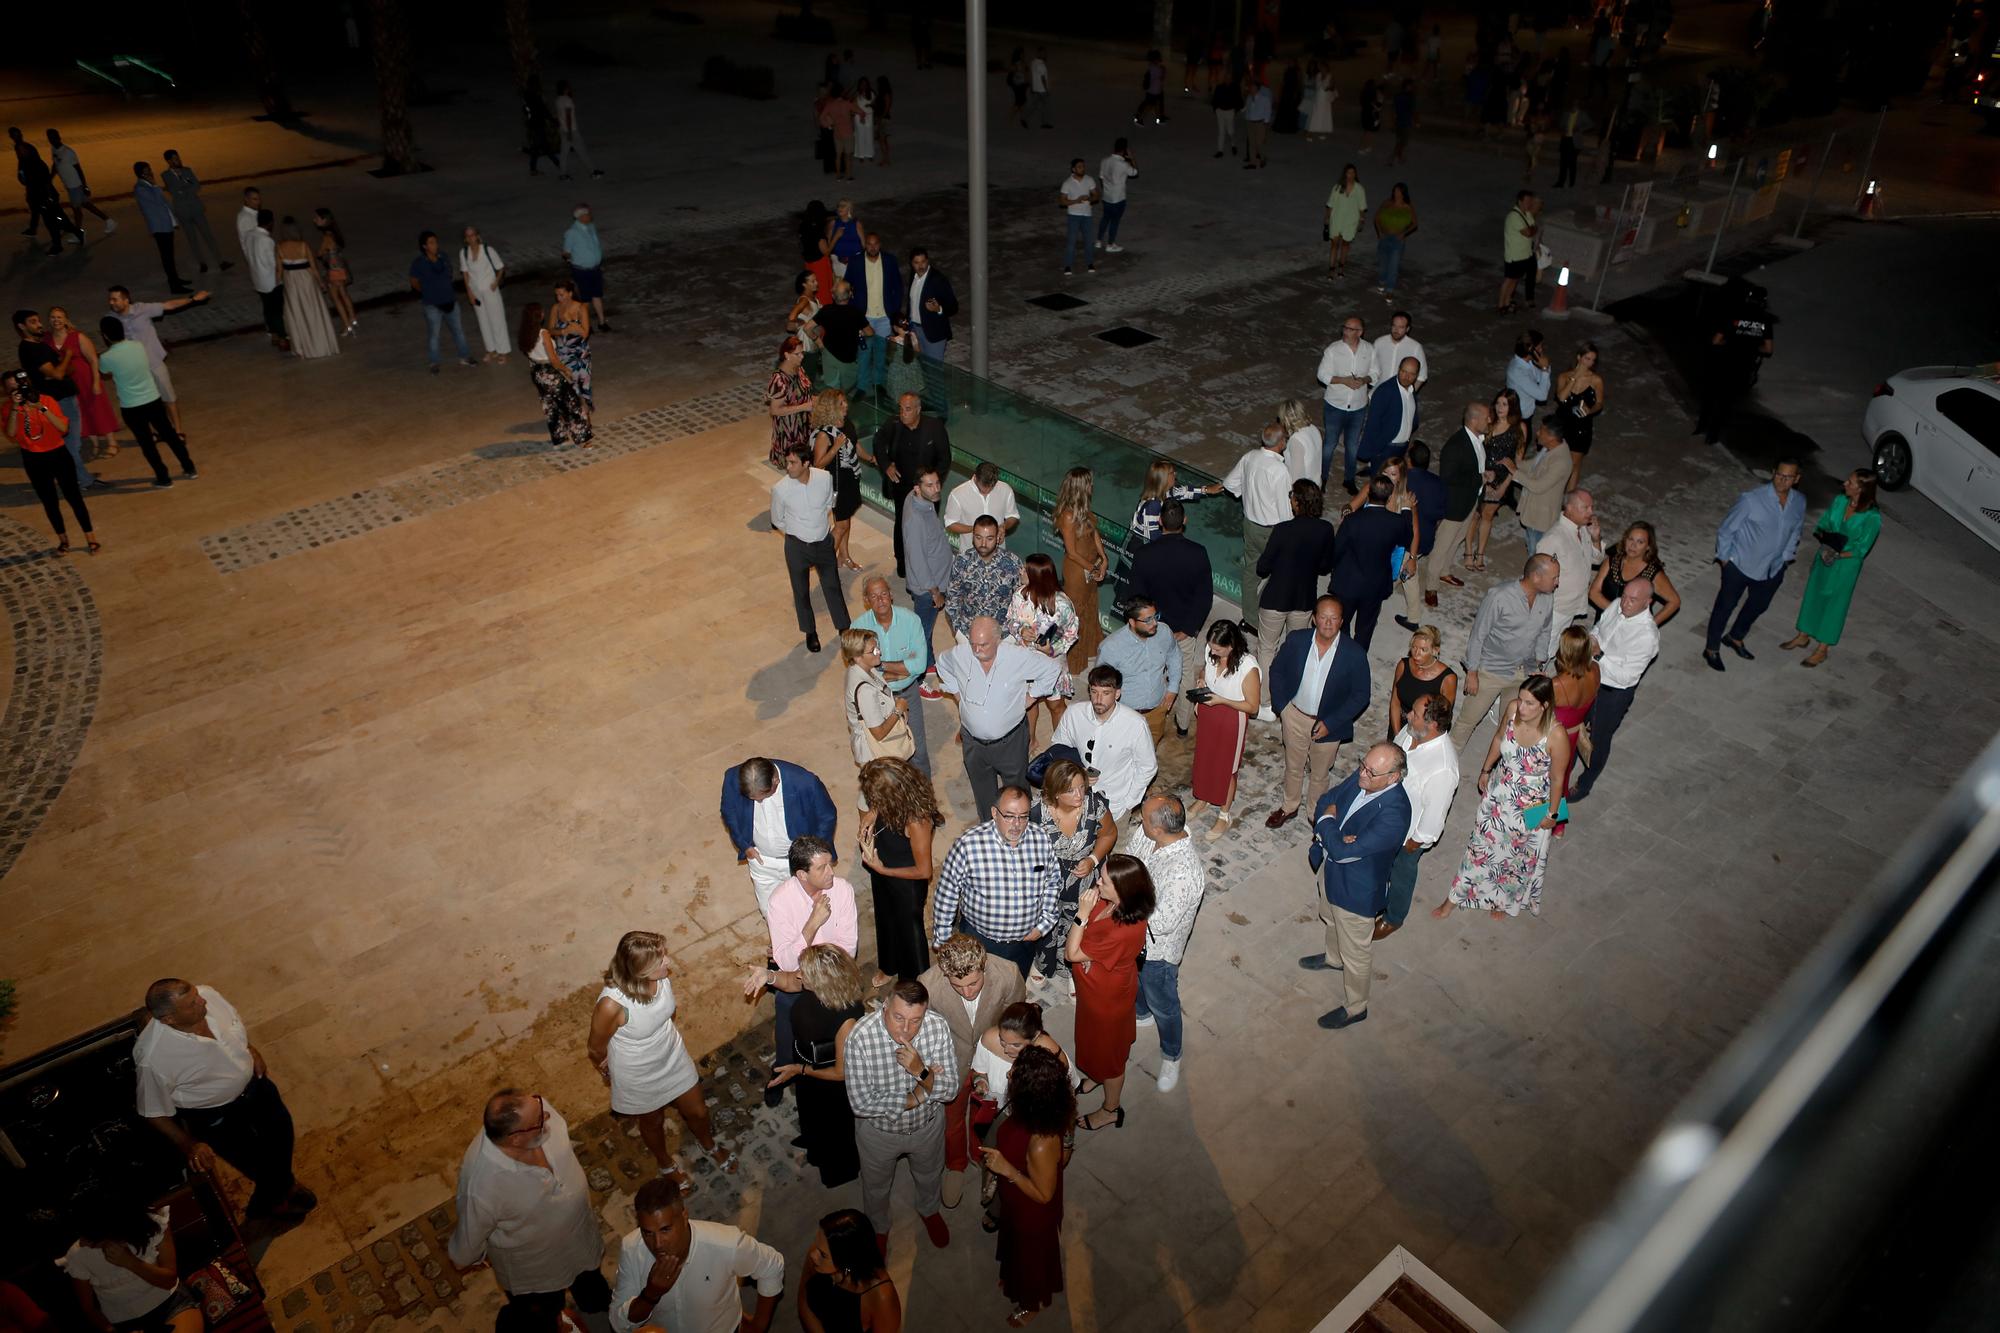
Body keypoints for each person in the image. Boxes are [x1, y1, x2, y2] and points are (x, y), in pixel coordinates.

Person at [133, 980, 315, 1222]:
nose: (203, 1001)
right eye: (192, 1003)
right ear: (169, 1019)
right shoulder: (153, 1058)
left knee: (282, 1134)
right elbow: (152, 1112)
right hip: (217, 1116)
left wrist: (250, 1049)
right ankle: (270, 1201)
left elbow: (233, 1029)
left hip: (256, 1087)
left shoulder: (209, 996)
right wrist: (190, 1144)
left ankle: (279, 1188)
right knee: (255, 1162)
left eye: (197, 995)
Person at [445, 1091, 609, 1333]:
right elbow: (466, 1246)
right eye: (538, 1120)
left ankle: (596, 1305)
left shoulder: (536, 1118)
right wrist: (475, 1257)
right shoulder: (482, 1184)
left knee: (591, 1284)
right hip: (537, 1268)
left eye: (539, 1106)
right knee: (543, 1313)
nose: (547, 1115)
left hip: (580, 1238)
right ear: (515, 1139)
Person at [589, 930, 737, 1178]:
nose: (668, 961)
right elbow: (594, 1047)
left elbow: (663, 1012)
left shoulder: (661, 977)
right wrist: (605, 1069)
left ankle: (708, 1143)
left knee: (698, 1111)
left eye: (664, 954)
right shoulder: (611, 1005)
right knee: (652, 1123)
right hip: (638, 1072)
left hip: (672, 1055)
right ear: (640, 971)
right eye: (660, 960)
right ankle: (665, 1163)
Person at [1436, 675, 1570, 920]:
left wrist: (1552, 814)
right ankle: (1455, 897)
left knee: (1514, 856)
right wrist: (1486, 769)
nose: (1522, 707)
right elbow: (1499, 738)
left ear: (1545, 705)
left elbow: (1559, 779)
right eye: (1521, 699)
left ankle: (1502, 900)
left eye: (1530, 703)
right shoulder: (1511, 711)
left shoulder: (1556, 736)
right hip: (1500, 791)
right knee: (1479, 847)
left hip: (1531, 804)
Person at [843, 980, 960, 1251]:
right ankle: (878, 1227)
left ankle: (929, 1210)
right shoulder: (860, 1037)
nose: (906, 1029)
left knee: (930, 1175)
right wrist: (922, 1091)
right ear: (884, 1007)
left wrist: (921, 1071)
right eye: (898, 1017)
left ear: (926, 1013)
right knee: (875, 1187)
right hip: (879, 1134)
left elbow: (951, 1089)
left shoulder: (936, 1026)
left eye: (915, 1020)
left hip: (927, 1126)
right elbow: (861, 1104)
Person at [1301, 743, 1411, 1028]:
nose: (1362, 774)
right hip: (1332, 872)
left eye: (1371, 772)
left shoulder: (1395, 814)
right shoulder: (1366, 775)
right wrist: (1338, 833)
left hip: (1357, 892)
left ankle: (1356, 1006)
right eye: (1363, 765)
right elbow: (1329, 797)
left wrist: (1328, 822)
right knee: (1330, 919)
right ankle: (1332, 958)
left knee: (1357, 952)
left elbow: (1341, 848)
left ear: (1393, 778)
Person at [748, 837, 860, 1109]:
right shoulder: (781, 901)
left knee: (839, 1039)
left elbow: (848, 949)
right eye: (822, 868)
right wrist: (812, 924)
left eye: (830, 864)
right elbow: (785, 962)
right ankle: (781, 1075)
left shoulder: (842, 890)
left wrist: (817, 970)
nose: (831, 871)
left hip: (835, 982)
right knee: (787, 1035)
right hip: (797, 983)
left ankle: (826, 1077)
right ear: (802, 874)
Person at [917, 933, 1026, 1209]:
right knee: (951, 1117)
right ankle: (955, 1165)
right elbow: (924, 1032)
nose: (967, 991)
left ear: (984, 966)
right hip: (951, 1062)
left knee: (984, 1114)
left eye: (974, 983)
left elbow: (1016, 1021)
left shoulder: (1009, 974)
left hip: (991, 1059)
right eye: (958, 985)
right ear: (945, 974)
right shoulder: (928, 985)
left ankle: (979, 1154)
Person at [607, 1176, 784, 1333]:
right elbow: (618, 1324)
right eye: (647, 1233)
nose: (657, 1244)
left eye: (665, 1229)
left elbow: (772, 1266)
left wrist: (759, 1325)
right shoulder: (632, 1249)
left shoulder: (726, 1245)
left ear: (684, 1216)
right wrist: (650, 1294)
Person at [976, 1046, 1073, 1327]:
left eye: (1015, 1073)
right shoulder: (1032, 1111)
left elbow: (1044, 1194)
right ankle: (1013, 1277)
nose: (1008, 1072)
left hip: (1032, 1213)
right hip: (1015, 1201)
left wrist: (1007, 1169)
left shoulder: (1042, 1141)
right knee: (1015, 1251)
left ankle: (1030, 1304)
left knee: (1030, 1261)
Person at [932, 782, 1064, 974]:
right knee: (980, 988)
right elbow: (947, 892)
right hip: (979, 940)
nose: (1017, 824)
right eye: (1009, 816)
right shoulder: (969, 845)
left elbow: (1053, 881)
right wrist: (943, 941)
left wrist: (1044, 924)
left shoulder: (1041, 839)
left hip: (1024, 942)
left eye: (1023, 817)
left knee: (1015, 987)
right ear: (994, 813)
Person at [1265, 596, 1372, 828]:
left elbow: (1361, 695)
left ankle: (1315, 812)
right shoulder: (1297, 641)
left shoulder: (1354, 654)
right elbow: (1277, 671)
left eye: (1334, 618)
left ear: (1342, 622)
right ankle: (1289, 806)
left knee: (1320, 773)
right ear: (1314, 619)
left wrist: (1331, 723)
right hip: (1295, 715)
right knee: (1293, 765)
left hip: (1328, 725)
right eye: (1323, 617)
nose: (1328, 623)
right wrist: (1282, 707)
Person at [1065, 853, 1153, 1130]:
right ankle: (1096, 1073)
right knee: (1093, 1041)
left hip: (1106, 1000)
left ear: (1123, 889)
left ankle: (1111, 1108)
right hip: (1094, 993)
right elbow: (1090, 945)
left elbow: (1071, 953)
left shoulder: (1123, 929)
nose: (1097, 882)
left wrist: (1081, 917)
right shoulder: (1115, 902)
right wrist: (1091, 954)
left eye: (1103, 880)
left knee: (1110, 1056)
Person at [1124, 794, 1204, 1089]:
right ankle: (1141, 1014)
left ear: (1159, 828)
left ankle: (1172, 1054)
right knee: (1136, 982)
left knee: (1164, 1003)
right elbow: (1131, 858)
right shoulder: (1148, 836)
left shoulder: (1185, 873)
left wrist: (1124, 902)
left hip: (1159, 952)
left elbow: (1161, 923)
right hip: (1135, 938)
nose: (1138, 821)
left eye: (1143, 819)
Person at [1704, 459, 1807, 671]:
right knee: (1725, 607)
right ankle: (1711, 648)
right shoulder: (1751, 500)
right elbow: (1726, 530)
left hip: (1774, 567)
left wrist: (1787, 557)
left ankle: (1735, 637)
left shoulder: (1799, 501)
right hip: (1740, 565)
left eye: (1788, 477)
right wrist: (1725, 559)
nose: (1782, 480)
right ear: (1773, 473)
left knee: (1759, 605)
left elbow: (1796, 529)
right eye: (1779, 474)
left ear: (1796, 479)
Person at [1024, 758, 1117, 984]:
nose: (1079, 795)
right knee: (1046, 920)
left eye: (1081, 787)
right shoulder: (1035, 811)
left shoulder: (1094, 805)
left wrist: (1093, 859)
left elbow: (1109, 833)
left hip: (1083, 880)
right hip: (1047, 881)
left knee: (1078, 922)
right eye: (1070, 790)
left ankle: (1073, 968)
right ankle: (1043, 962)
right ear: (1055, 793)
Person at [1127, 501, 1213, 738]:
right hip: (1182, 632)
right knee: (1184, 676)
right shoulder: (1198, 553)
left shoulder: (1144, 554)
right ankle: (1183, 725)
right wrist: (1187, 629)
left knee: (1150, 674)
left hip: (1152, 630)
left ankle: (1150, 718)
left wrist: (1146, 626)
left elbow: (1135, 597)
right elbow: (1204, 599)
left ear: (1160, 522)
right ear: (1184, 521)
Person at [1455, 554, 1558, 751]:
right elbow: (1478, 634)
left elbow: (1545, 631)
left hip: (1523, 673)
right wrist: (1472, 672)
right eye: (1554, 578)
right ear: (1537, 577)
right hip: (1491, 671)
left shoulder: (1548, 599)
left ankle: (1501, 767)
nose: (1558, 582)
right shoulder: (1499, 596)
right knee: (1467, 722)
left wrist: (1538, 665)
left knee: (1511, 725)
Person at [1781, 469, 1882, 668]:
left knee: (1835, 604)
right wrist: (1824, 537)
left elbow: (1862, 548)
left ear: (1861, 489)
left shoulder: (1872, 517)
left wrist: (1839, 554)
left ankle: (1822, 649)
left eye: (1850, 482)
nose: (1845, 483)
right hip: (1826, 555)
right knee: (1813, 593)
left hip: (1845, 566)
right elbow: (1824, 522)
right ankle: (1803, 634)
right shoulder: (1840, 501)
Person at [1570, 578, 1660, 801]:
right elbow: (1599, 628)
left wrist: (1599, 654)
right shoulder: (1617, 604)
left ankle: (1584, 784)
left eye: (1632, 600)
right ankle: (1563, 766)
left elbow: (1626, 677)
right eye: (1624, 596)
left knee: (1599, 739)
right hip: (1590, 677)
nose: (1624, 603)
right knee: (1574, 725)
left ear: (1648, 602)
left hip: (1613, 692)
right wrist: (1592, 638)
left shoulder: (1647, 636)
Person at [59, 1191, 201, 1333]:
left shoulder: (152, 1225)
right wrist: (110, 1330)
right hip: (125, 1323)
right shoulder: (78, 1254)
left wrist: (130, 1262)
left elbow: (169, 1280)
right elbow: (89, 1309)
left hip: (170, 1304)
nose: (83, 1243)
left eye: (89, 1239)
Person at [719, 756, 838, 922]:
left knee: (808, 909)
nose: (758, 802)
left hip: (799, 863)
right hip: (761, 861)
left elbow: (826, 817)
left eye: (763, 796)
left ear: (776, 780)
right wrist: (743, 844)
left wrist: (812, 856)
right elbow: (728, 811)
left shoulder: (805, 782)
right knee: (769, 910)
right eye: (753, 799)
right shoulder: (732, 778)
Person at [859, 758, 943, 985]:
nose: (871, 801)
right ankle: (889, 965)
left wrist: (884, 870)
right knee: (884, 918)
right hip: (883, 866)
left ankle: (913, 981)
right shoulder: (894, 800)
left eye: (875, 799)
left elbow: (924, 871)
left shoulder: (918, 821)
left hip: (906, 880)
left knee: (908, 929)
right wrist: (873, 812)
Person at [1382, 694, 1457, 939]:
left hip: (1407, 836)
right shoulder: (1412, 731)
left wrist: (1413, 844)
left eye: (1414, 714)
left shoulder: (1443, 768)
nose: (1408, 716)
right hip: (1386, 814)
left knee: (1402, 873)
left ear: (1432, 724)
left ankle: (1394, 917)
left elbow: (1434, 818)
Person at [1209, 421, 1294, 629]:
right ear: (1281, 443)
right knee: (1283, 571)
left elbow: (1229, 484)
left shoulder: (1249, 457)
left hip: (1249, 524)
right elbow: (1284, 511)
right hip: (1272, 531)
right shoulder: (1279, 470)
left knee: (1250, 572)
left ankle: (1250, 618)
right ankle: (1273, 617)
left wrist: (1244, 493)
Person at [95, 317, 196, 488]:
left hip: (131, 406)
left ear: (105, 336)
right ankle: (189, 467)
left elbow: (103, 371)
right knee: (170, 435)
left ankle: (163, 478)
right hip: (152, 399)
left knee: (147, 444)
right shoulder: (138, 346)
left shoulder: (107, 357)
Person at [770, 443, 852, 651]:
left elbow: (827, 504)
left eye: (792, 462)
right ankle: (810, 631)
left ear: (806, 463)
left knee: (832, 585)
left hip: (823, 543)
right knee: (801, 591)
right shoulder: (781, 490)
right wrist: (799, 532)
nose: (788, 467)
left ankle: (843, 627)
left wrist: (818, 529)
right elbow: (777, 520)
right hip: (797, 547)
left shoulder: (824, 479)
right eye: (787, 462)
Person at [1050, 666, 1155, 823]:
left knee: (1116, 844)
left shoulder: (1135, 724)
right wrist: (1077, 772)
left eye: (1106, 693)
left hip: (1116, 804)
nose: (1098, 699)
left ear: (1117, 694)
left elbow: (1147, 767)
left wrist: (1130, 802)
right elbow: (1059, 748)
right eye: (1094, 692)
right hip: (1078, 800)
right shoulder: (1074, 714)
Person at [6, 371, 95, 554]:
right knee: (49, 501)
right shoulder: (9, 408)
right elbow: (11, 433)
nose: (17, 390)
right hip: (33, 459)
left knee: (74, 497)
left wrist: (41, 408)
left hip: (58, 454)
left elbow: (63, 428)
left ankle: (91, 538)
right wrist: (15, 408)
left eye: (20, 385)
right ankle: (63, 540)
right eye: (11, 388)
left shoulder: (46, 400)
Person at [1188, 619, 1260, 842]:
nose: (1213, 651)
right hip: (1209, 712)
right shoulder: (1212, 651)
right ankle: (1203, 797)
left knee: (1227, 767)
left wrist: (1221, 700)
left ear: (1232, 646)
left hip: (1231, 718)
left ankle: (1224, 814)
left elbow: (1252, 706)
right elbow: (1205, 670)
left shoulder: (1247, 667)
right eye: (1212, 647)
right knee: (1205, 759)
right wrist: (1201, 680)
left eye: (1219, 649)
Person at [14, 309, 95, 492]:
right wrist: (66, 356)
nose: (40, 324)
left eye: (38, 321)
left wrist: (61, 368)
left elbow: (69, 371)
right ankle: (83, 480)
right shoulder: (32, 349)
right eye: (33, 322)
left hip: (62, 398)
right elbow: (58, 373)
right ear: (22, 326)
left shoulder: (38, 345)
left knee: (70, 444)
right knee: (72, 444)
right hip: (60, 400)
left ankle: (77, 478)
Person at [873, 392, 951, 580]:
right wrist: (886, 465)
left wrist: (931, 484)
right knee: (902, 524)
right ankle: (902, 562)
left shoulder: (934, 427)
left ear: (918, 410)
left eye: (907, 409)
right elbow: (878, 441)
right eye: (900, 408)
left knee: (929, 527)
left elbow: (945, 459)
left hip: (927, 492)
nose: (903, 413)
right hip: (902, 487)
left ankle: (928, 561)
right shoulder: (893, 424)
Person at [855, 578, 930, 773]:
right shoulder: (858, 627)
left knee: (918, 750)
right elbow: (859, 671)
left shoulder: (911, 621)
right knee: (885, 756)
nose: (880, 600)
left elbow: (920, 665)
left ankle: (924, 800)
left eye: (883, 594)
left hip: (908, 693)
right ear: (866, 600)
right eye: (874, 596)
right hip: (876, 698)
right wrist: (902, 670)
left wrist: (881, 665)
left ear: (891, 594)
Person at [1332, 474, 1414, 652]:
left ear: (1368, 493)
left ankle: (1342, 651)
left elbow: (1337, 550)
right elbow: (1408, 537)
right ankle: (1358, 657)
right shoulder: (1397, 522)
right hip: (1375, 584)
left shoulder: (1353, 520)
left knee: (1342, 622)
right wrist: (1407, 509)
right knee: (1365, 628)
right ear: (1390, 496)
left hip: (1348, 582)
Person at [1256, 478, 1336, 653]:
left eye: (1292, 495)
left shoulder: (1282, 529)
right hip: (1304, 600)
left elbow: (1262, 567)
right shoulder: (1326, 529)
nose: (1290, 499)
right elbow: (1324, 567)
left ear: (1298, 502)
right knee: (1295, 649)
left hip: (1275, 598)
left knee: (1267, 649)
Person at [1695, 281, 1776, 445]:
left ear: (1748, 298)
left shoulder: (1734, 314)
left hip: (1723, 362)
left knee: (1710, 395)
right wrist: (1753, 346)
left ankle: (1701, 427)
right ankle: (1713, 436)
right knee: (1726, 401)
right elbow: (1768, 350)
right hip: (1743, 367)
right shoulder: (1764, 321)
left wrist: (1729, 343)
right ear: (1764, 301)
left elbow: (1716, 340)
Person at [797, 1208, 902, 1332]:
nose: (813, 1255)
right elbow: (803, 1299)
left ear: (846, 1259)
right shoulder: (819, 1253)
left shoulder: (881, 1298)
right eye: (816, 1243)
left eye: (823, 1255)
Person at [1427, 403, 1492, 595]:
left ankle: (1444, 571)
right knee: (1442, 545)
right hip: (1455, 504)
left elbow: (1473, 467)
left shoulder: (1478, 440)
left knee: (1457, 539)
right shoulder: (1456, 445)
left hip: (1469, 500)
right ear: (1474, 420)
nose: (1489, 420)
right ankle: (1431, 587)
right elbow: (1448, 476)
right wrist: (1479, 478)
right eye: (1486, 417)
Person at [1094, 599, 1180, 742]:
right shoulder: (1111, 647)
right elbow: (1100, 684)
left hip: (1157, 711)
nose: (1155, 623)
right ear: (1132, 622)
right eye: (1148, 620)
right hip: (1124, 715)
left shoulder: (1164, 632)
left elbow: (1174, 655)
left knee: (1150, 753)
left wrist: (1173, 689)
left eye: (1155, 616)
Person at [43, 307, 118, 462]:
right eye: (52, 317)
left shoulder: (77, 336)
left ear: (65, 320)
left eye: (59, 317)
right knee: (80, 412)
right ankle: (94, 444)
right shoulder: (46, 339)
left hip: (85, 378)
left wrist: (96, 381)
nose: (56, 320)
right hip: (67, 382)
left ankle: (112, 443)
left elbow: (93, 359)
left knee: (97, 409)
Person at [1052, 467, 1107, 674]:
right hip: (1077, 572)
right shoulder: (1067, 516)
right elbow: (1072, 552)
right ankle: (1073, 662)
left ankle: (1090, 651)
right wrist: (1094, 567)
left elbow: (1094, 533)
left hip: (1090, 567)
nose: (1092, 486)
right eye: (1089, 483)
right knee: (1076, 615)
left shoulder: (1085, 510)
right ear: (1082, 487)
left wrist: (1104, 558)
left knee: (1090, 610)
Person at [1537, 486, 1604, 652]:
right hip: (1557, 607)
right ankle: (1535, 676)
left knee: (1555, 644)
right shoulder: (1554, 538)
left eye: (1591, 507)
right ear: (1569, 508)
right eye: (1585, 508)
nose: (1591, 512)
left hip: (1572, 605)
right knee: (1545, 647)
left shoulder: (1583, 529)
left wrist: (1596, 539)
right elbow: (1538, 575)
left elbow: (1596, 558)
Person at [1314, 314, 1375, 492]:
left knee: (1352, 446)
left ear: (1360, 332)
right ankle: (1322, 478)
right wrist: (1343, 381)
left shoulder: (1369, 350)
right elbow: (1322, 375)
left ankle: (1349, 480)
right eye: (1345, 328)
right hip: (1335, 405)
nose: (1345, 331)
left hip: (1358, 407)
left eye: (1350, 329)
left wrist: (1364, 380)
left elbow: (1376, 372)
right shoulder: (1333, 350)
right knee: (1329, 444)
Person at [946, 518, 1025, 651]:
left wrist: (1014, 633)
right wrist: (958, 631)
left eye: (989, 538)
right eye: (978, 537)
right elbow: (952, 598)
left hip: (1005, 634)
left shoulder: (1012, 563)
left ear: (998, 538)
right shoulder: (962, 562)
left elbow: (1021, 600)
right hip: (968, 631)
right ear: (972, 537)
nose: (983, 543)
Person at [518, 303, 591, 447]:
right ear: (539, 316)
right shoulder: (543, 333)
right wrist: (566, 370)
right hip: (550, 372)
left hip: (537, 372)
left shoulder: (525, 333)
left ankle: (559, 438)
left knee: (550, 406)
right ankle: (583, 439)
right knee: (571, 404)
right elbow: (554, 360)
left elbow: (528, 354)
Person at [1470, 387, 1526, 570]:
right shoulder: (1489, 421)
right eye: (1498, 403)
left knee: (1487, 515)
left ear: (1513, 407)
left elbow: (1517, 462)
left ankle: (1480, 554)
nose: (1501, 408)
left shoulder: (1519, 428)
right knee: (1475, 514)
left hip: (1501, 479)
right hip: (1482, 474)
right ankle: (1468, 553)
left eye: (1505, 404)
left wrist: (1504, 486)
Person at [902, 466, 953, 666]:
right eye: (929, 485)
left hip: (936, 580)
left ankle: (929, 661)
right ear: (917, 488)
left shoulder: (920, 500)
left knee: (926, 629)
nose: (936, 489)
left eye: (937, 483)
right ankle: (918, 672)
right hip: (928, 589)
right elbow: (918, 561)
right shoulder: (915, 520)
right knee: (922, 632)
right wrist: (935, 592)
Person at [1591, 521, 1680, 626]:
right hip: (1604, 623)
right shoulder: (1611, 561)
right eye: (1630, 539)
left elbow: (1674, 601)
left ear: (1648, 547)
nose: (1633, 545)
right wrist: (1617, 613)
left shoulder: (1653, 573)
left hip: (1631, 631)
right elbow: (1593, 593)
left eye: (1640, 542)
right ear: (1625, 540)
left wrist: (1649, 626)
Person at [409, 231, 474, 372]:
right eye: (431, 243)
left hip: (450, 301)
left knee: (459, 331)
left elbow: (449, 273)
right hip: (432, 305)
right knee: (434, 335)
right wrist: (426, 291)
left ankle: (465, 357)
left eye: (436, 242)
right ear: (424, 246)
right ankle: (434, 362)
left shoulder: (443, 257)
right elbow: (413, 281)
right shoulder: (419, 263)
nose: (435, 245)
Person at [275, 218, 340, 359]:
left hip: (291, 281)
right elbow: (313, 268)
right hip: (306, 280)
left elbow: (279, 272)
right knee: (313, 311)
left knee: (296, 313)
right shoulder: (303, 245)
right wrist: (321, 283)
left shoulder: (280, 247)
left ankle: (302, 348)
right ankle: (320, 345)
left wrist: (278, 284)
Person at [848, 232, 902, 394]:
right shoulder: (856, 262)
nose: (872, 247)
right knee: (863, 353)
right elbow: (848, 287)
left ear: (880, 244)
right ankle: (862, 386)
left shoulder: (890, 260)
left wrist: (894, 309)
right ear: (865, 245)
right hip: (865, 317)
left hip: (884, 317)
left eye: (875, 244)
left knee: (881, 352)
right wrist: (855, 315)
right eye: (869, 244)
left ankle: (879, 383)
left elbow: (898, 286)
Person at [159, 150, 229, 275]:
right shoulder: (165, 175)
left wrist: (184, 189)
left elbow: (196, 185)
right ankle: (202, 262)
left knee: (208, 235)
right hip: (183, 211)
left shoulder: (187, 170)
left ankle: (220, 261)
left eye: (178, 157)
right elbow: (175, 190)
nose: (178, 160)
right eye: (175, 158)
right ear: (169, 161)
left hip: (195, 208)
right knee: (192, 239)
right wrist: (186, 185)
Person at [1510, 422, 1573, 554]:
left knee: (1536, 552)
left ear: (1551, 437)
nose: (1537, 433)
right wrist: (1515, 464)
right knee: (1530, 545)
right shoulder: (1550, 448)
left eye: (1541, 431)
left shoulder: (1560, 461)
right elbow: (1533, 465)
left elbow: (1538, 487)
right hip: (1534, 511)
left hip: (1540, 518)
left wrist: (1515, 473)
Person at [129, 164, 191, 295]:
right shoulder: (141, 188)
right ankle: (174, 285)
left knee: (170, 256)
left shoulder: (146, 186)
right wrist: (155, 186)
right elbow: (158, 201)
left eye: (150, 170)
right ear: (140, 174)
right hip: (159, 227)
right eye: (146, 171)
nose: (150, 173)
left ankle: (175, 280)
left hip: (165, 224)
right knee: (167, 257)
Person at [1388, 623, 1457, 737]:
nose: (1416, 654)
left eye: (1423, 649)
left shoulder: (1447, 678)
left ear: (1435, 650)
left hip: (1423, 733)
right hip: (1398, 724)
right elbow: (1395, 702)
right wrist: (1397, 735)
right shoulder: (1403, 665)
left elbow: (1441, 721)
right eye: (1414, 647)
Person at [1553, 343, 1606, 489]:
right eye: (1587, 359)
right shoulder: (1564, 376)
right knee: (1557, 462)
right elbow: (1562, 397)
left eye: (1592, 360)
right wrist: (1574, 378)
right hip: (1562, 423)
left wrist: (1590, 409)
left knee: (1574, 464)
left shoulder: (1596, 380)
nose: (1589, 363)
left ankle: (1568, 500)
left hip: (1582, 425)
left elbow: (1600, 403)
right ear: (1579, 357)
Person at [460, 226, 509, 363]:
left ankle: (502, 351)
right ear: (465, 238)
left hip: (490, 290)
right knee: (483, 321)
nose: (470, 238)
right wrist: (469, 292)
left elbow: (500, 267)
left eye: (472, 235)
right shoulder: (464, 253)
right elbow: (465, 273)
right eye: (468, 236)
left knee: (497, 319)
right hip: (476, 292)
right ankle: (491, 349)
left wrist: (495, 283)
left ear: (477, 236)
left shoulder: (488, 250)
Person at [944, 462, 1019, 550]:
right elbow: (950, 523)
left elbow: (1013, 516)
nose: (986, 492)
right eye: (982, 488)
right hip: (969, 552)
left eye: (990, 488)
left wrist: (1003, 527)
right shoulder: (957, 494)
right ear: (975, 477)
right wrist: (976, 529)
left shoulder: (1005, 489)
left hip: (998, 552)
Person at [561, 205, 611, 330]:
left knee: (597, 295)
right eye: (588, 214)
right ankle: (585, 324)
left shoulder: (591, 227)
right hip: (582, 271)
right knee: (585, 299)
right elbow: (566, 252)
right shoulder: (572, 232)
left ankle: (602, 322)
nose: (590, 216)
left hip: (594, 268)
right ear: (581, 217)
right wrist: (573, 261)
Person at [247, 209, 290, 352]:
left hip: (258, 279)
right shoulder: (267, 240)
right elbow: (274, 262)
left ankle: (274, 335)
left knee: (267, 309)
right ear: (270, 223)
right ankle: (283, 338)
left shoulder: (249, 235)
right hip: (271, 281)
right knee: (276, 310)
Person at [906, 247, 957, 363]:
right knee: (921, 369)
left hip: (934, 333)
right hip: (915, 330)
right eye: (916, 263)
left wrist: (938, 308)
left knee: (934, 372)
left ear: (928, 261)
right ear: (911, 264)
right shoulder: (913, 276)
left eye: (923, 262)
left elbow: (953, 306)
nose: (920, 266)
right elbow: (911, 302)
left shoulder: (938, 280)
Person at [1498, 189, 1541, 312]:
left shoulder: (1526, 214)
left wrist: (1532, 229)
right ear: (1520, 201)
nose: (1530, 204)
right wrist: (1533, 229)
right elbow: (1529, 232)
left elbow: (1533, 228)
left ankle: (1506, 303)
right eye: (1528, 201)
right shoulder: (1513, 216)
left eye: (1531, 201)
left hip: (1524, 254)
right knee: (1509, 280)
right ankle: (1501, 305)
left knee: (1514, 280)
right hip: (1514, 255)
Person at [1324, 163, 1367, 280]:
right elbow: (1330, 204)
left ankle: (1341, 268)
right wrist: (1327, 218)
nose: (1351, 175)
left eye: (1353, 173)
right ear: (1345, 174)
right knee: (1334, 245)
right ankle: (1331, 269)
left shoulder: (1359, 189)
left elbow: (1362, 207)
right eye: (1349, 172)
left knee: (1345, 245)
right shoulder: (1338, 187)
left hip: (1351, 221)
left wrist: (1362, 220)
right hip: (1337, 218)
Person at [553, 81, 603, 180]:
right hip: (571, 130)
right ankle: (593, 172)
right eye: (568, 87)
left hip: (563, 129)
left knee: (564, 153)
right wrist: (570, 131)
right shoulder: (567, 100)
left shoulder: (558, 100)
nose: (570, 88)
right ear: (565, 89)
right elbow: (568, 116)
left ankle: (563, 174)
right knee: (582, 151)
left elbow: (558, 116)